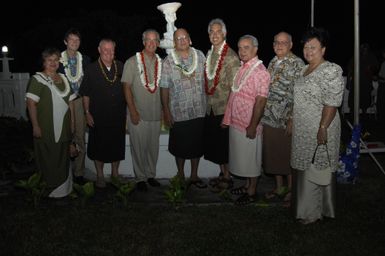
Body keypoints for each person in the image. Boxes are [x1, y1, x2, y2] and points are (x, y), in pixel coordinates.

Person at [291, 27, 344, 224]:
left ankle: (314, 212)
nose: (308, 51)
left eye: (313, 47)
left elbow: (332, 101)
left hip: (321, 127)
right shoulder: (304, 69)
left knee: (317, 167)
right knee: (305, 166)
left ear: (323, 49)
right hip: (303, 129)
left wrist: (322, 127)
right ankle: (305, 208)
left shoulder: (331, 69)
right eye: (305, 47)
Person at [222, 35, 270, 205]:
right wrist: (227, 119)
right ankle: (247, 186)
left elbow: (261, 101)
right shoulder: (243, 67)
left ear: (255, 49)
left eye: (246, 47)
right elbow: (234, 94)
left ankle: (251, 192)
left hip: (249, 125)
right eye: (240, 48)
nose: (242, 51)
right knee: (244, 159)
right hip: (237, 123)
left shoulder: (261, 72)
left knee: (251, 160)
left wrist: (252, 125)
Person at [261, 32, 304, 207]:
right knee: (273, 155)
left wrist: (293, 119)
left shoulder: (297, 63)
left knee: (287, 156)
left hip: (285, 118)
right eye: (276, 42)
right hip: (270, 117)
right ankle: (279, 188)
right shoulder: (272, 61)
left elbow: (300, 95)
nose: (279, 45)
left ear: (291, 45)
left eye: (283, 43)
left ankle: (292, 190)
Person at [26, 47, 77, 198]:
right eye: (50, 60)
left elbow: (71, 103)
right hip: (46, 126)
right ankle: (49, 189)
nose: (53, 63)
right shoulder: (37, 79)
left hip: (64, 126)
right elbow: (30, 103)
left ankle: (64, 190)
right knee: (49, 156)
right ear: (44, 62)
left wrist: (73, 122)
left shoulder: (64, 78)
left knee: (63, 155)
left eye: (56, 60)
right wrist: (35, 125)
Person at [160, 28, 207, 188]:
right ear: (174, 42)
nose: (182, 40)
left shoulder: (200, 56)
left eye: (184, 37)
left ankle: (194, 175)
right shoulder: (168, 61)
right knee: (179, 146)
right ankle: (180, 174)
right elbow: (164, 87)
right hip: (178, 111)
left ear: (190, 39)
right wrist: (166, 111)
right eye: (178, 38)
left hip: (199, 109)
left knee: (196, 145)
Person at [79, 39, 126, 188]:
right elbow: (85, 93)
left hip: (118, 114)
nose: (108, 52)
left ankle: (115, 174)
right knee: (98, 145)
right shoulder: (91, 69)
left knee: (117, 145)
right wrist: (87, 113)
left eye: (111, 49)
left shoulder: (120, 66)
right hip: (98, 114)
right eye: (105, 49)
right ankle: (99, 175)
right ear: (99, 50)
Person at [121, 29, 162, 192]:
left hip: (156, 114)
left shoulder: (161, 62)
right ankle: (140, 178)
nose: (151, 43)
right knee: (138, 148)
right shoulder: (132, 62)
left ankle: (150, 175)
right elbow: (126, 87)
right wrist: (133, 111)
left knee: (153, 148)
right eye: (148, 40)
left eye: (155, 41)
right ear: (143, 42)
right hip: (138, 113)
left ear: (158, 44)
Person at [203, 18, 240, 191]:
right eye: (212, 31)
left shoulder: (231, 56)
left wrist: (229, 113)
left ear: (224, 34)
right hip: (210, 107)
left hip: (223, 108)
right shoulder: (210, 54)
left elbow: (235, 88)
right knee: (217, 144)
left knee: (224, 145)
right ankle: (222, 173)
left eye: (218, 31)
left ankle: (227, 177)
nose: (215, 35)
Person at [58, 28, 91, 185]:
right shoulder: (57, 59)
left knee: (79, 136)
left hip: (78, 102)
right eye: (71, 40)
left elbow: (89, 82)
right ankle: (61, 171)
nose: (74, 43)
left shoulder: (85, 59)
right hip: (61, 101)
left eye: (77, 40)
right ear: (65, 42)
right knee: (62, 135)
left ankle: (78, 173)